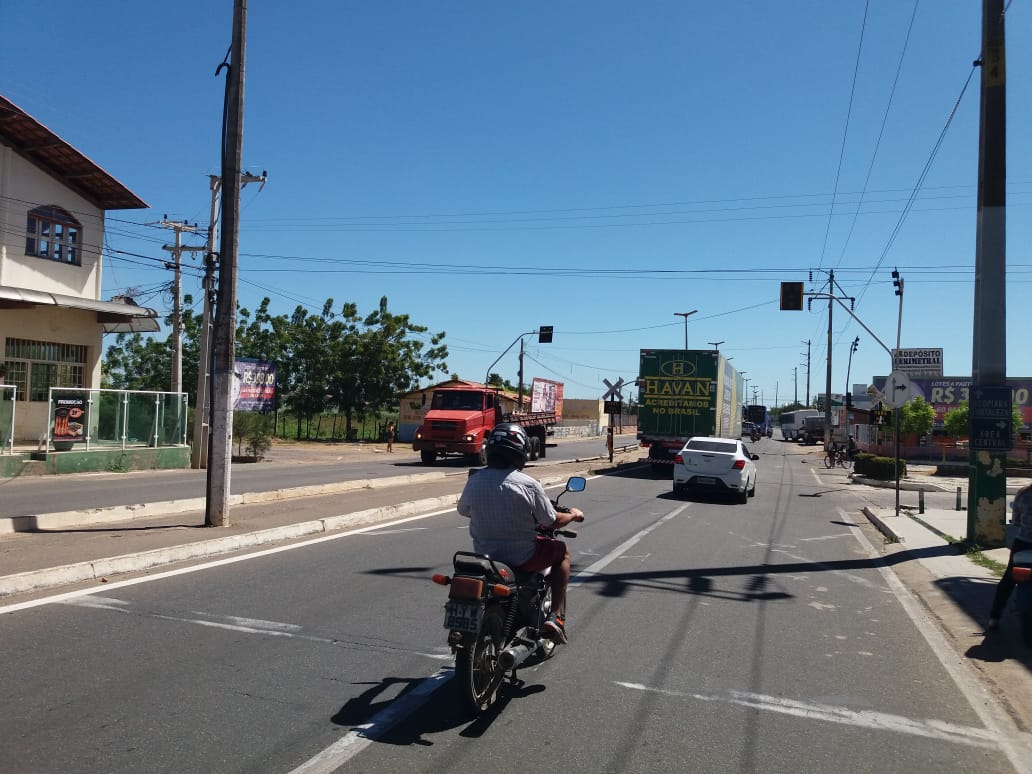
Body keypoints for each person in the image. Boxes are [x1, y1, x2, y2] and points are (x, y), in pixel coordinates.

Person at [457, 422, 584, 644]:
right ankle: (555, 617)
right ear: (520, 452)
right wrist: (573, 515)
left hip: (485, 556)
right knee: (562, 551)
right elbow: (551, 520)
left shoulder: (475, 480)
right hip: (522, 557)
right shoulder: (528, 484)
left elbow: (464, 510)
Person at [988, 484, 1032, 631]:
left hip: (1023, 544)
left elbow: (1016, 521)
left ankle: (994, 617)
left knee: (1008, 580)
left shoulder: (1024, 493)